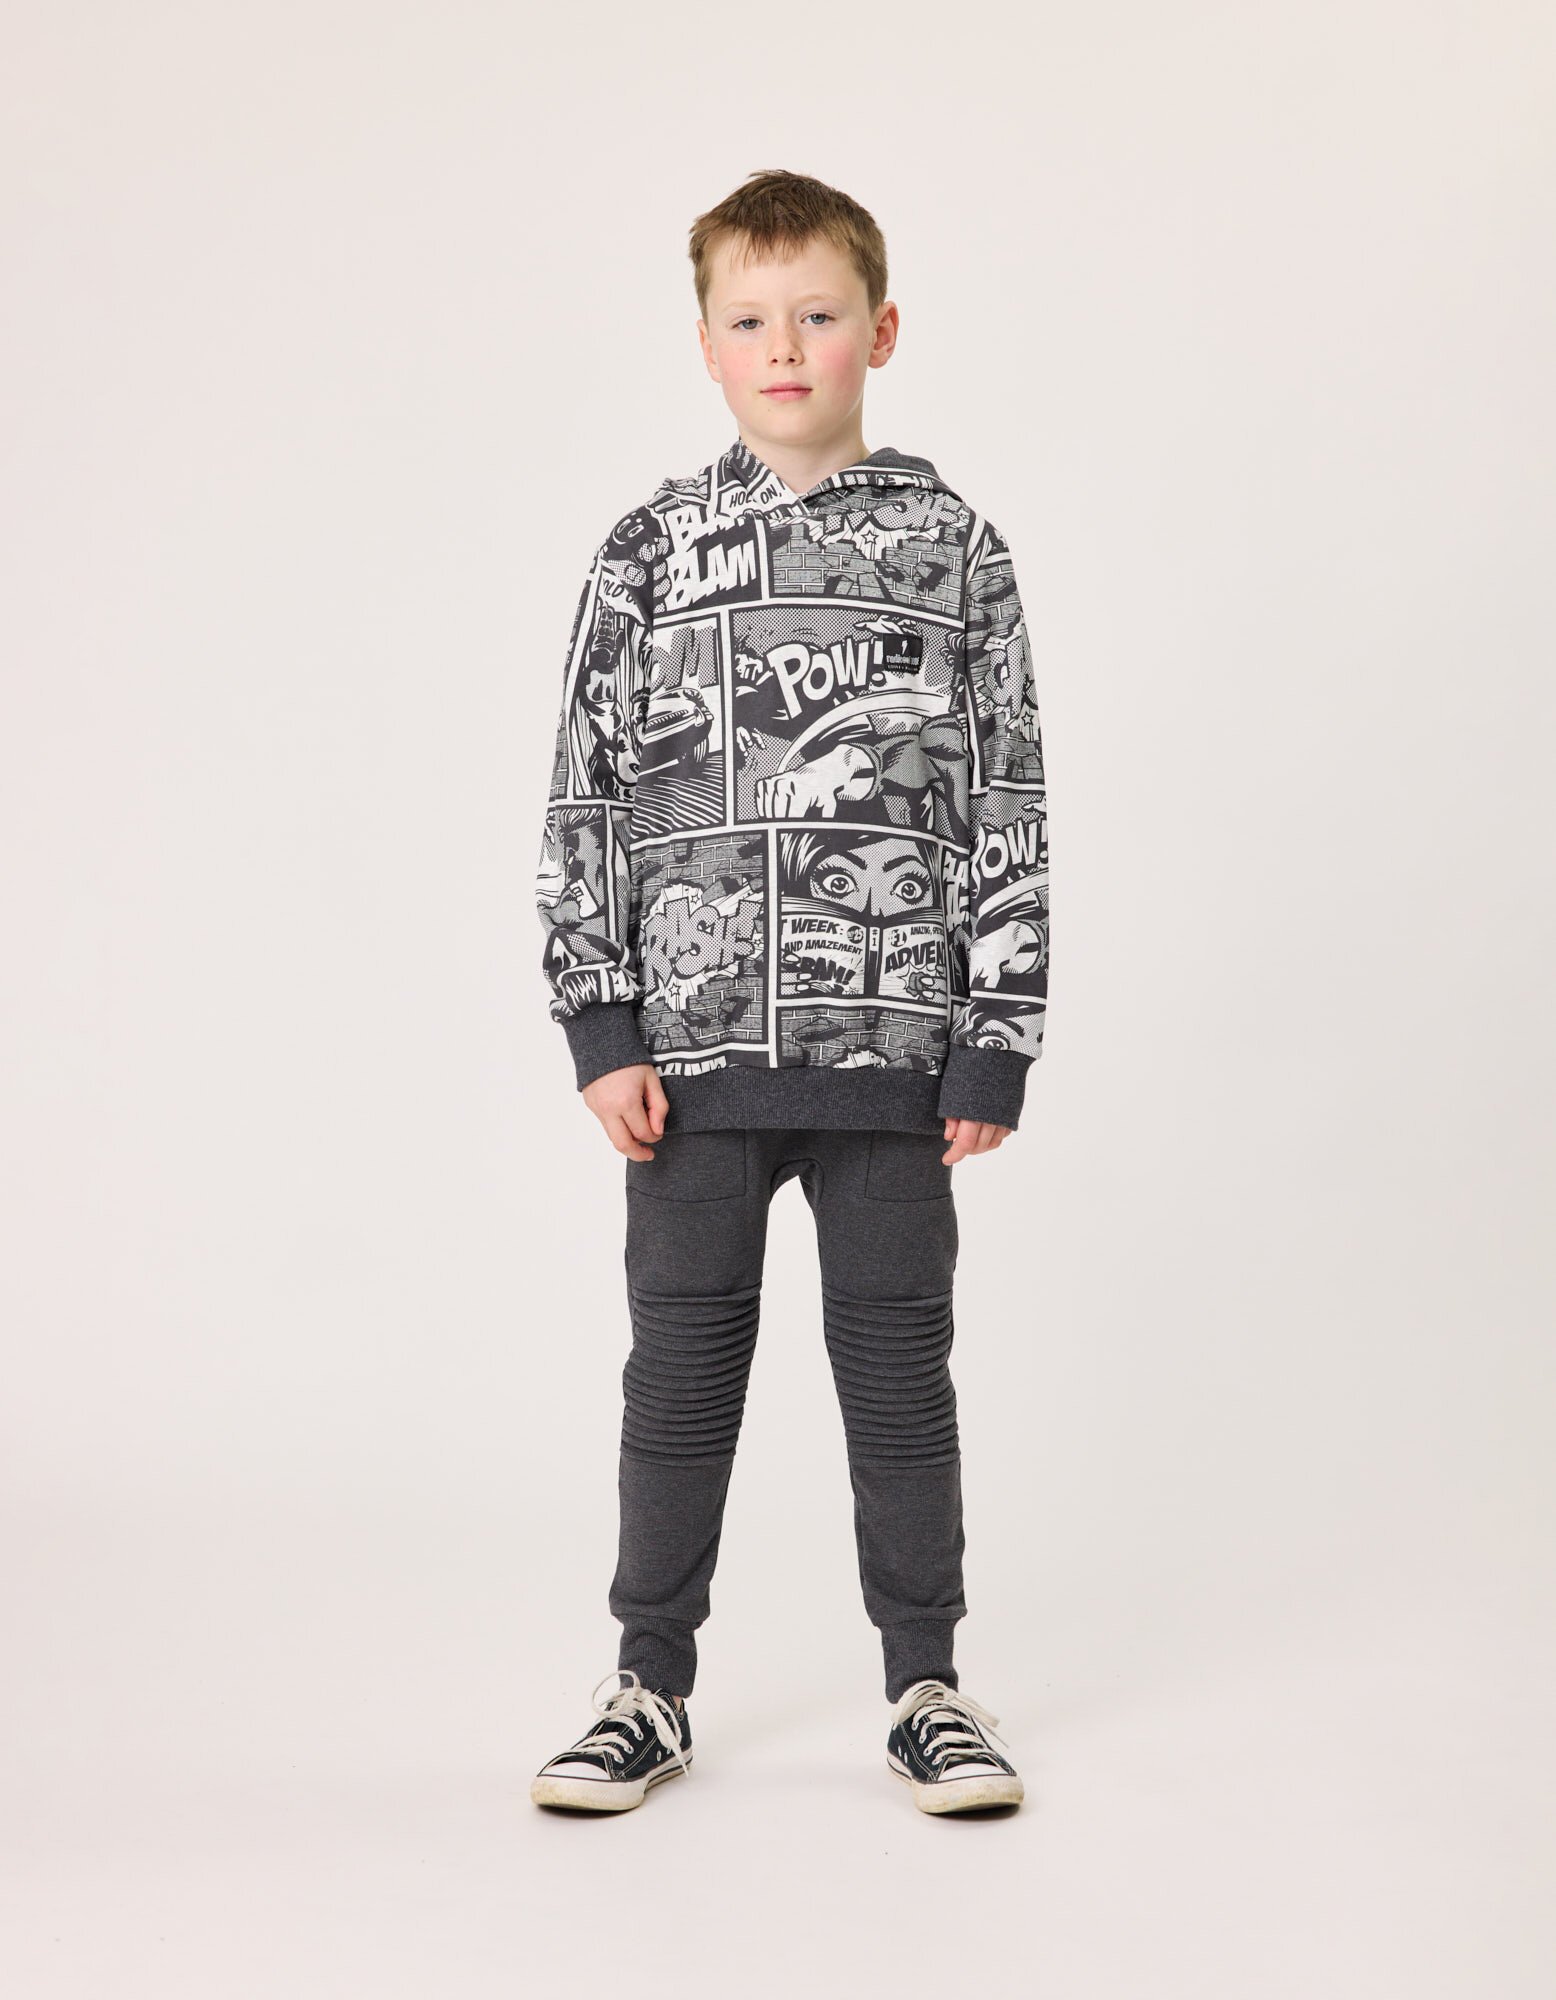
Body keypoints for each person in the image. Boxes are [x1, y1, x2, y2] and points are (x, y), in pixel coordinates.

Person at [529, 169, 1048, 1817]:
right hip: (689, 1070)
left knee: (899, 1376)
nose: (784, 345)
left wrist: (994, 1036)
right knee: (679, 1377)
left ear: (878, 332)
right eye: (749, 319)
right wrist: (600, 1022)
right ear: (705, 345)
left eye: (817, 314)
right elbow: (587, 793)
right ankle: (647, 1685)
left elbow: (1010, 799)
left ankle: (928, 1685)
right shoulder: (645, 552)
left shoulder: (956, 550)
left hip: (896, 1065)